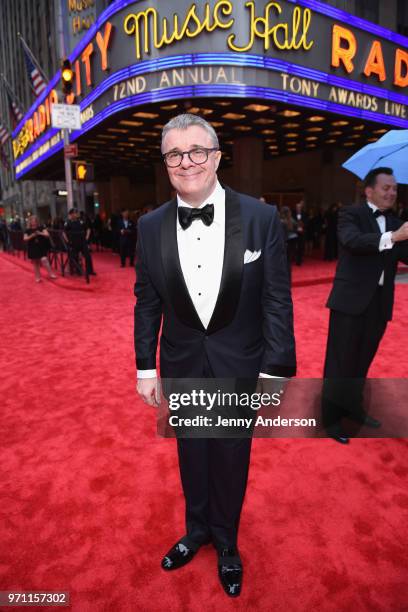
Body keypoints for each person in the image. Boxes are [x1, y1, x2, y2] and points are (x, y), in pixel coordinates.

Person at [134, 113, 296, 597]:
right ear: (165, 163)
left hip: (239, 364)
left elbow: (276, 300)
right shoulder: (149, 226)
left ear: (218, 156)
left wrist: (276, 368)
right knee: (191, 454)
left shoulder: (261, 217)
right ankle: (197, 530)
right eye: (175, 154)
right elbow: (146, 301)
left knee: (230, 456)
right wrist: (145, 367)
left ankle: (226, 542)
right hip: (182, 363)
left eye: (197, 151)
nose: (187, 162)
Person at [322, 167, 408, 443]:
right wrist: (393, 237)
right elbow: (352, 241)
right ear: (369, 190)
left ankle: (354, 409)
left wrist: (400, 236)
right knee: (340, 363)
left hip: (379, 305)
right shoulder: (351, 214)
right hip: (349, 303)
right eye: (386, 188)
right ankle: (331, 419)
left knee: (361, 362)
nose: (392, 193)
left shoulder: (396, 222)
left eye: (395, 188)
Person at [23, 215, 57, 283]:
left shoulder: (41, 227)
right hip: (32, 247)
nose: (33, 222)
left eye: (35, 221)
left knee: (44, 259)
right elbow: (25, 239)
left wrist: (40, 233)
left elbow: (47, 235)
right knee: (36, 263)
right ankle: (37, 277)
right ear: (30, 222)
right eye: (32, 221)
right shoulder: (27, 230)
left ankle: (51, 273)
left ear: (37, 221)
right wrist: (32, 236)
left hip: (41, 246)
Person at [63, 208, 96, 276]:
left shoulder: (81, 221)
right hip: (73, 243)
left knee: (88, 256)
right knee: (75, 257)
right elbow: (63, 233)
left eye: (77, 212)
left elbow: (88, 229)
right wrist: (67, 241)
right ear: (71, 214)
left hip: (82, 242)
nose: (77, 214)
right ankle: (78, 271)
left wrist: (86, 237)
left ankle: (90, 271)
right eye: (75, 213)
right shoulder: (68, 223)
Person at [292, 199, 307, 265]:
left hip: (302, 233)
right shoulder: (293, 214)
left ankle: (299, 260)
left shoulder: (304, 214)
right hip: (294, 233)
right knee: (294, 247)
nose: (298, 208)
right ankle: (293, 258)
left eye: (299, 207)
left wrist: (303, 225)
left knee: (301, 246)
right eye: (297, 207)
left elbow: (307, 222)